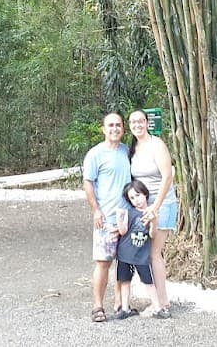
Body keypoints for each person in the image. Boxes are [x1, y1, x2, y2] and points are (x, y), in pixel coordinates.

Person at [127, 108, 176, 319]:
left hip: (162, 203)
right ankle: (159, 300)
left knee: (154, 254)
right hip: (144, 206)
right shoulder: (134, 148)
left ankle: (162, 303)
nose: (137, 125)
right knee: (149, 254)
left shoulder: (157, 145)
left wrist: (155, 207)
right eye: (133, 122)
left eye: (140, 121)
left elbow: (167, 177)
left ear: (147, 123)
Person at [83, 112, 131, 323]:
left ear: (123, 128)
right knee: (103, 263)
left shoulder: (127, 151)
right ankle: (97, 306)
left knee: (124, 262)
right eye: (110, 125)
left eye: (118, 125)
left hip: (127, 218)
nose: (114, 129)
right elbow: (88, 183)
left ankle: (120, 303)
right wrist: (95, 210)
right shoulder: (95, 154)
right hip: (106, 218)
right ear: (103, 129)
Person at [113, 179, 160, 319]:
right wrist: (119, 218)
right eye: (132, 198)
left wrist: (154, 222)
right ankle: (125, 309)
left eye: (138, 195)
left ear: (145, 194)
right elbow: (123, 231)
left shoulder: (150, 213)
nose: (136, 200)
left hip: (141, 255)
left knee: (148, 281)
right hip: (125, 253)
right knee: (125, 280)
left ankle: (158, 308)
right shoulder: (129, 212)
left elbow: (152, 234)